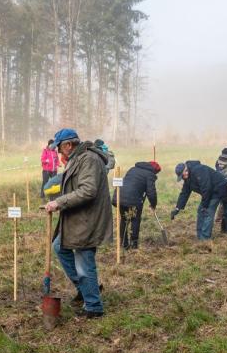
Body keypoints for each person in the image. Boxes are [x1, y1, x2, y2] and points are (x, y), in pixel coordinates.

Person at [44, 128, 111, 318]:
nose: (58, 153)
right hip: (78, 219)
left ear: (68, 145)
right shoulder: (78, 158)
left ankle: (93, 307)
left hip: (87, 220)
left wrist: (60, 202)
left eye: (59, 148)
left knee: (84, 263)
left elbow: (88, 191)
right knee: (59, 246)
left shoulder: (88, 159)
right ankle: (86, 288)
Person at [171, 160, 227, 240]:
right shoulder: (187, 177)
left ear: (186, 170)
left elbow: (207, 188)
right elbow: (184, 193)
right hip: (208, 192)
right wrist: (177, 208)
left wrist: (205, 205)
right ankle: (200, 236)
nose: (183, 178)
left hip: (217, 189)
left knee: (208, 212)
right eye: (181, 177)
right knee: (200, 211)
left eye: (182, 175)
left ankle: (205, 239)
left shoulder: (199, 170)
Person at [114, 161, 160, 249]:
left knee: (124, 219)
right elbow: (151, 193)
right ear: (154, 170)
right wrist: (153, 205)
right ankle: (133, 244)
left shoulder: (133, 169)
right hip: (132, 199)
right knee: (135, 219)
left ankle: (124, 243)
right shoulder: (150, 174)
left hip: (119, 196)